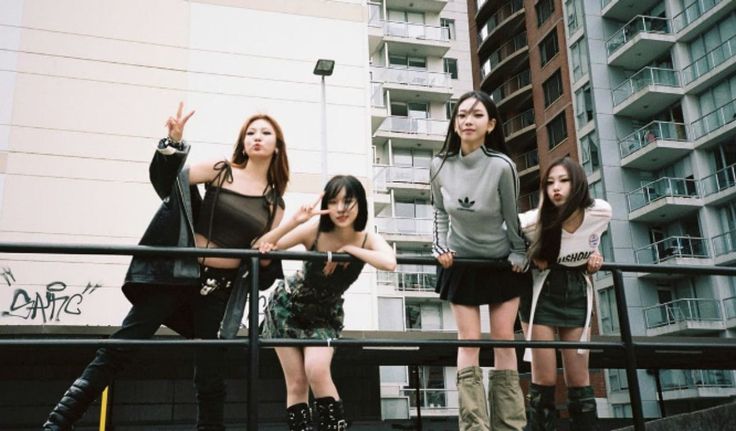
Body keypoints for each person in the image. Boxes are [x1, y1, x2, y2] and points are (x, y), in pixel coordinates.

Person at [42, 103, 290, 431]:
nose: (256, 137)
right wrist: (173, 143)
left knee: (210, 372)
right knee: (123, 344)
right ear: (243, 141)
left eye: (265, 132)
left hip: (220, 289)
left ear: (277, 145)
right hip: (178, 273)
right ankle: (58, 422)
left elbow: (261, 263)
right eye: (250, 132)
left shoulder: (275, 203)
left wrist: (270, 253)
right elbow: (170, 186)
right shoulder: (221, 169)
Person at [256, 175, 396, 431]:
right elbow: (263, 247)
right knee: (296, 383)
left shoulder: (366, 239)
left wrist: (350, 251)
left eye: (348, 202)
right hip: (286, 308)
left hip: (324, 315)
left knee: (317, 370)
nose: (341, 209)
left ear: (360, 204)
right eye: (334, 202)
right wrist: (296, 220)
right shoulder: (315, 230)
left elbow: (389, 262)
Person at [430, 90, 531, 431]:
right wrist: (440, 248)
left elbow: (511, 215)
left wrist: (519, 252)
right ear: (455, 123)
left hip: (500, 261)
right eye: (461, 115)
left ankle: (510, 425)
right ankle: (474, 427)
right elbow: (439, 215)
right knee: (468, 341)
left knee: (504, 340)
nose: (467, 121)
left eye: (476, 115)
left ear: (490, 125)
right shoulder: (439, 165)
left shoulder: (503, 166)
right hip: (461, 263)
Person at [519, 156, 611, 431]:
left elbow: (591, 239)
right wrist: (529, 255)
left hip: (577, 290)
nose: (555, 188)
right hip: (541, 290)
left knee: (579, 379)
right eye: (549, 183)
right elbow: (506, 241)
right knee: (544, 378)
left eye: (563, 180)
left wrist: (595, 255)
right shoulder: (532, 222)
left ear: (578, 183)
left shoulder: (601, 212)